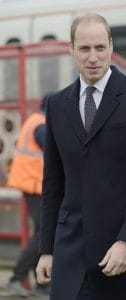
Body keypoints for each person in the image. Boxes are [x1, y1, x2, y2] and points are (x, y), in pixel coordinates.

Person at [36, 13, 126, 300]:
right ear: (71, 49)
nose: (93, 57)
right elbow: (53, 183)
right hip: (73, 255)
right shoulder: (57, 105)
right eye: (84, 49)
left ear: (111, 45)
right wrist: (47, 249)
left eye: (100, 47)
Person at [6, 95, 48, 297]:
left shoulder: (35, 121)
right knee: (44, 233)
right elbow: (55, 152)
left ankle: (41, 284)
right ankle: (17, 277)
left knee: (43, 232)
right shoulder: (41, 126)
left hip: (33, 184)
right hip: (33, 184)